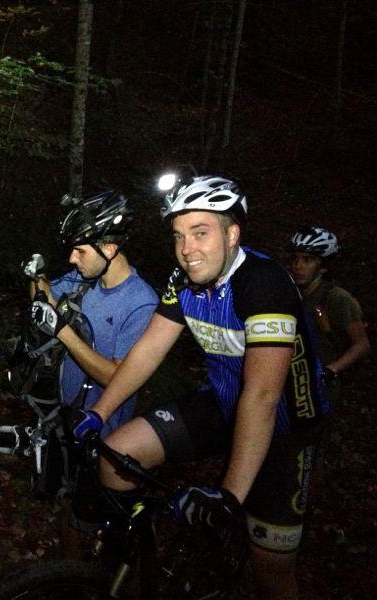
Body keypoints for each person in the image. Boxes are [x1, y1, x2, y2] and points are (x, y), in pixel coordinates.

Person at [72, 174, 329, 599]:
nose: (187, 248)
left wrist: (230, 497)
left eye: (200, 232)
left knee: (271, 570)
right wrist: (98, 413)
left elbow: (263, 397)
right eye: (178, 235)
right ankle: (136, 562)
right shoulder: (183, 280)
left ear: (232, 235)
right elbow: (148, 351)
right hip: (225, 403)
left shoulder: (264, 283)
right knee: (116, 456)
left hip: (287, 427)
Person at [24, 189, 158, 558]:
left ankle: (103, 575)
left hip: (108, 435)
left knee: (97, 521)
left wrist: (64, 332)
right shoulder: (84, 280)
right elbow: (46, 300)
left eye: (80, 251)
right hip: (68, 420)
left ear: (110, 249)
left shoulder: (141, 303)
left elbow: (117, 376)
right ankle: (71, 575)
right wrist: (36, 276)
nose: (72, 258)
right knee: (68, 505)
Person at [284, 226, 370, 404]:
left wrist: (330, 370)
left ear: (323, 266)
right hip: (293, 380)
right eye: (295, 259)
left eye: (308, 260)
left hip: (321, 386)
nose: (298, 266)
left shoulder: (336, 297)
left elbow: (362, 344)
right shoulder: (291, 292)